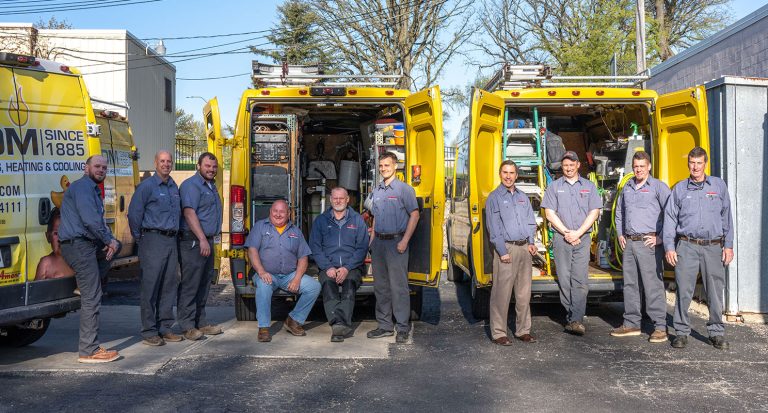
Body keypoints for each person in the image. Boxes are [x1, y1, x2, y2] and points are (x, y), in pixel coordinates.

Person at [663, 147, 734, 350]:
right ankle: (681, 332)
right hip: (686, 246)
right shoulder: (680, 189)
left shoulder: (718, 186)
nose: (695, 167)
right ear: (688, 164)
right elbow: (669, 219)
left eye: (699, 163)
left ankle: (716, 332)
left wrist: (728, 245)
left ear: (705, 164)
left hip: (713, 247)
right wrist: (669, 246)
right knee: (684, 291)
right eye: (692, 163)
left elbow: (726, 217)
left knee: (714, 291)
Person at [59, 155, 121, 363]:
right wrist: (107, 240)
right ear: (86, 168)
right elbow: (91, 221)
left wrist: (110, 241)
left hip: (86, 244)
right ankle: (89, 350)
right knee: (93, 296)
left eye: (104, 167)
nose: (101, 170)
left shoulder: (91, 189)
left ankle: (84, 285)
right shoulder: (84, 188)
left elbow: (98, 223)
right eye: (97, 166)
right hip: (78, 246)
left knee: (117, 246)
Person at [611, 151, 671, 343]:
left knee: (652, 285)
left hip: (648, 243)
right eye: (635, 166)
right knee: (630, 285)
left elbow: (671, 214)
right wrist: (620, 234)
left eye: (642, 166)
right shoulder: (627, 187)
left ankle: (660, 326)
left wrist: (661, 238)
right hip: (629, 242)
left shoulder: (658, 187)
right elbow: (619, 213)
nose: (638, 170)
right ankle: (631, 323)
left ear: (649, 167)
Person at [541, 151, 602, 336]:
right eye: (565, 165)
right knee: (565, 278)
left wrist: (578, 232)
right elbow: (549, 212)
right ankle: (572, 315)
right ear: (562, 166)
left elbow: (594, 212)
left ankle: (576, 319)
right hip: (561, 238)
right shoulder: (554, 187)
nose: (568, 168)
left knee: (580, 279)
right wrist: (566, 232)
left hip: (582, 239)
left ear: (578, 166)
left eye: (571, 164)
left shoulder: (589, 187)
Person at [128, 150, 183, 346]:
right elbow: (134, 214)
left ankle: (165, 327)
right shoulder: (147, 187)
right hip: (152, 239)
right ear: (155, 162)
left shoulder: (173, 186)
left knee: (169, 285)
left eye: (169, 161)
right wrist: (140, 238)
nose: (166, 164)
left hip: (171, 240)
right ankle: (149, 331)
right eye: (162, 161)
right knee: (150, 286)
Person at [246, 200, 321, 343]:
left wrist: (297, 278)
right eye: (275, 211)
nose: (278, 214)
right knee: (263, 286)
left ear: (288, 214)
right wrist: (261, 272)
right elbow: (252, 250)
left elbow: (303, 257)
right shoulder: (260, 227)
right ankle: (264, 328)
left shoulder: (295, 231)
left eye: (282, 211)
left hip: (289, 275)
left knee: (314, 287)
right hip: (267, 273)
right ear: (270, 212)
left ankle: (293, 320)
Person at [367, 152, 419, 344]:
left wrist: (405, 240)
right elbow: (376, 218)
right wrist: (371, 243)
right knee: (381, 287)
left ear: (395, 166)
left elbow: (414, 215)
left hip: (397, 243)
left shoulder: (404, 190)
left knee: (399, 288)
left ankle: (403, 327)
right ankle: (385, 326)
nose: (383, 169)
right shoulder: (377, 191)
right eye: (381, 166)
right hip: (379, 243)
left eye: (387, 165)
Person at [485, 160, 539, 345]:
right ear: (500, 174)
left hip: (524, 248)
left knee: (524, 293)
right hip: (506, 249)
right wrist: (502, 251)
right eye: (505, 172)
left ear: (517, 175)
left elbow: (530, 221)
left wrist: (531, 242)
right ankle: (499, 332)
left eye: (512, 173)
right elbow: (493, 228)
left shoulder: (523, 197)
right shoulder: (494, 198)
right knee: (502, 293)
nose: (508, 176)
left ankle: (523, 330)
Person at [309, 187, 370, 342]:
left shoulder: (357, 220)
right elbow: (315, 247)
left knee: (349, 286)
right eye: (335, 198)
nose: (338, 201)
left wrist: (347, 268)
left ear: (347, 199)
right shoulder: (321, 221)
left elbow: (362, 248)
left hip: (352, 267)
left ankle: (338, 325)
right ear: (330, 200)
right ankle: (339, 324)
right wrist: (328, 267)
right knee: (328, 286)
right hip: (327, 266)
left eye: (341, 198)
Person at [178, 152, 224, 341]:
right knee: (191, 284)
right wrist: (202, 239)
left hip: (207, 240)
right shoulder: (191, 185)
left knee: (204, 283)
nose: (211, 170)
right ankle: (187, 326)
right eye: (207, 166)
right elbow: (189, 213)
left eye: (214, 167)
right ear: (198, 166)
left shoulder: (211, 186)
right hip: (194, 241)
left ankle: (201, 322)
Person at [35, 208, 75, 281]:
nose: (61, 238)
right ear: (48, 237)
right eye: (56, 233)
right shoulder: (46, 263)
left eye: (66, 233)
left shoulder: (78, 261)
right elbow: (37, 290)